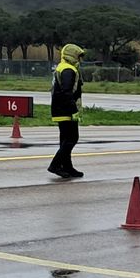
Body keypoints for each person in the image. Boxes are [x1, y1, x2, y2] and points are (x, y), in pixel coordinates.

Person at [48, 44, 85, 178]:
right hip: (66, 109)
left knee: (65, 140)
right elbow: (67, 91)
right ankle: (55, 165)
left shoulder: (62, 66)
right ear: (72, 55)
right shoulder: (68, 70)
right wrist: (73, 109)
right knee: (72, 138)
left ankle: (67, 167)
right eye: (79, 56)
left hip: (59, 108)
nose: (80, 60)